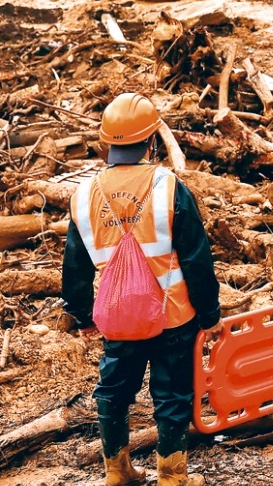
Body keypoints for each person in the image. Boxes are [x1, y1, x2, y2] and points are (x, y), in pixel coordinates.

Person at [63, 94, 221, 486]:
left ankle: (116, 471)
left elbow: (75, 268)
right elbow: (197, 259)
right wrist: (210, 314)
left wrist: (82, 316)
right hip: (174, 317)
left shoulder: (83, 196)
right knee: (172, 396)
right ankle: (171, 477)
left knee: (114, 389)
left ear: (107, 144)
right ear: (151, 141)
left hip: (119, 319)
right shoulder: (168, 187)